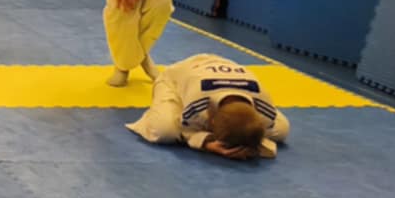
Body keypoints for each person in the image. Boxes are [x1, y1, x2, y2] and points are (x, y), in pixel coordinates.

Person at [125, 54, 291, 160]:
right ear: (210, 121)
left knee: (282, 129)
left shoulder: (265, 109)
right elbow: (187, 130)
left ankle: (240, 132)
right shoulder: (198, 104)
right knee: (165, 130)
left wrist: (249, 145)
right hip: (174, 79)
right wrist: (206, 143)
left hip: (219, 68)